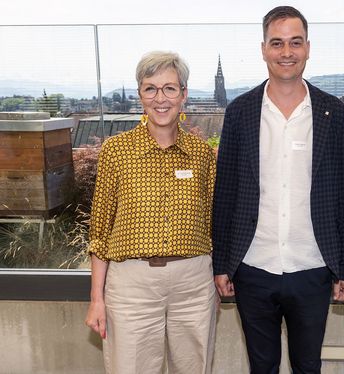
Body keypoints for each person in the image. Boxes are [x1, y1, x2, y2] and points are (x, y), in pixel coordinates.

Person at [212, 6, 344, 374]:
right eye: (277, 43)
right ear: (263, 48)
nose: (286, 52)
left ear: (308, 47)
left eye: (295, 42)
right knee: (262, 368)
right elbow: (225, 193)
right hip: (252, 266)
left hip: (312, 266)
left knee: (308, 367)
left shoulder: (334, 113)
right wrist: (222, 264)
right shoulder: (240, 112)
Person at [85, 51, 217, 374]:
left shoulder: (202, 154)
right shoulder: (116, 152)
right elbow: (100, 232)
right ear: (139, 95)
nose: (161, 98)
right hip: (132, 286)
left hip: (194, 285)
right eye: (150, 88)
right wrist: (96, 299)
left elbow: (215, 222)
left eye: (170, 88)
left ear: (184, 95)